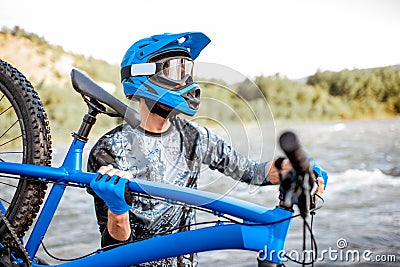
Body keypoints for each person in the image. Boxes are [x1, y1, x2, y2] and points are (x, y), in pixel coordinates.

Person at [87, 31, 327, 267]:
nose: (185, 82)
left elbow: (252, 172)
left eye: (187, 71)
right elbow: (113, 251)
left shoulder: (195, 136)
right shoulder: (109, 150)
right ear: (142, 77)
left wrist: (293, 168)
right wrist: (117, 211)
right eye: (173, 71)